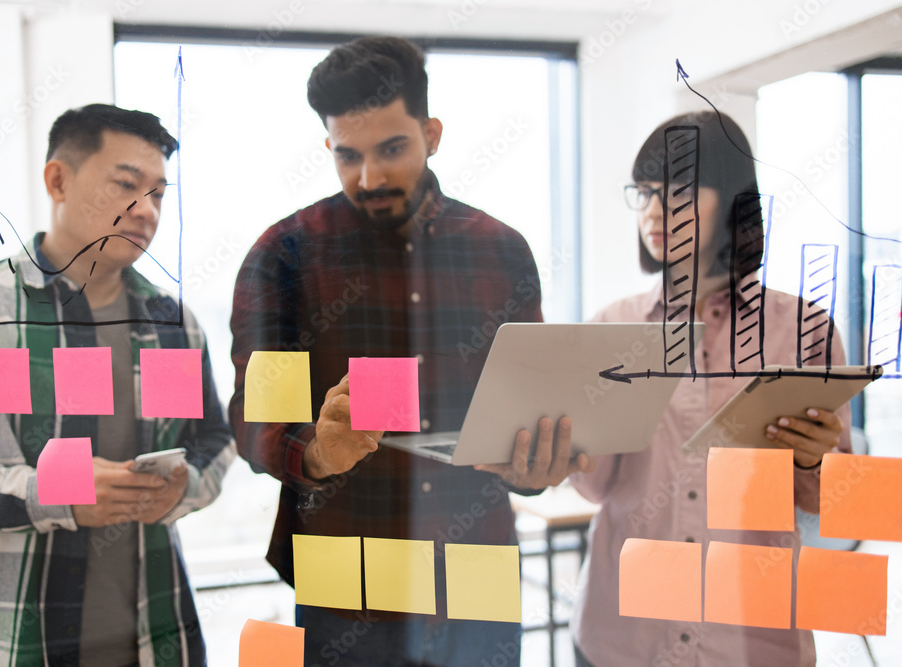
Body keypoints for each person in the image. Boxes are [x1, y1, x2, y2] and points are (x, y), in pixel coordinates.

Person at [230, 36, 592, 666]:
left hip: (473, 568)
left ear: (432, 133)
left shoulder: (502, 250)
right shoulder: (283, 254)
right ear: (328, 147)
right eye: (348, 156)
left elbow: (524, 417)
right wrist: (316, 451)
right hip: (347, 576)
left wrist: (534, 468)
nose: (369, 178)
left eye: (392, 149)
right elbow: (256, 423)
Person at [0, 104, 236, 666]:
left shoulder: (171, 324)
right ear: (58, 180)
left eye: (158, 193)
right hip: (3, 644)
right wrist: (47, 493)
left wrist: (185, 488)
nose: (147, 210)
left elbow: (215, 441)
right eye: (126, 185)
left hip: (158, 639)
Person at [569, 110, 851, 667]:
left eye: (677, 191)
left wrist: (818, 463)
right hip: (626, 634)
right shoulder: (612, 326)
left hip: (753, 637)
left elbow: (832, 504)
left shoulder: (803, 328)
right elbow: (595, 488)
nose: (653, 211)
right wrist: (562, 446)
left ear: (733, 200)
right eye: (645, 192)